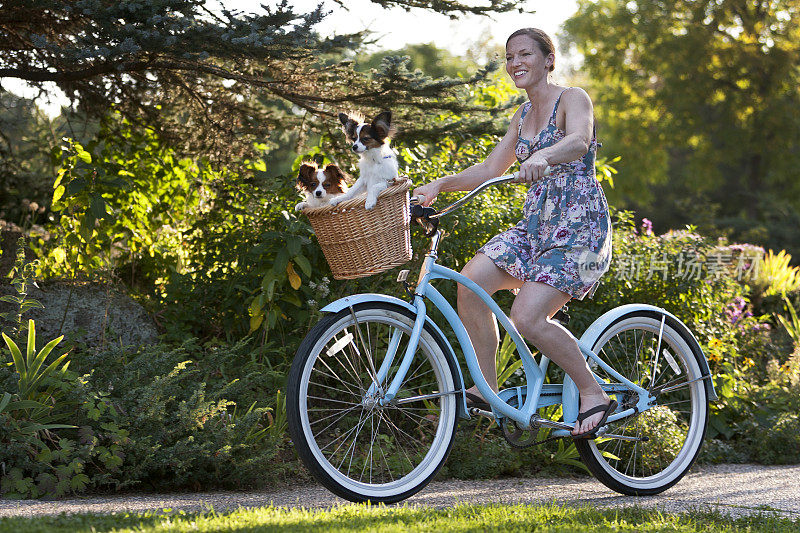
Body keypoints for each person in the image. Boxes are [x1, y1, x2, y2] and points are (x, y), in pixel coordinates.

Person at [412, 28, 614, 438]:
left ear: (547, 60)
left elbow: (580, 139)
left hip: (580, 231)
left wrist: (544, 154)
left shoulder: (572, 98)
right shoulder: (520, 118)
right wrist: (439, 184)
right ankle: (486, 389)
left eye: (524, 54)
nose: (515, 63)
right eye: (509, 57)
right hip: (536, 228)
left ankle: (593, 393)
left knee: (527, 317)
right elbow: (490, 170)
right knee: (471, 282)